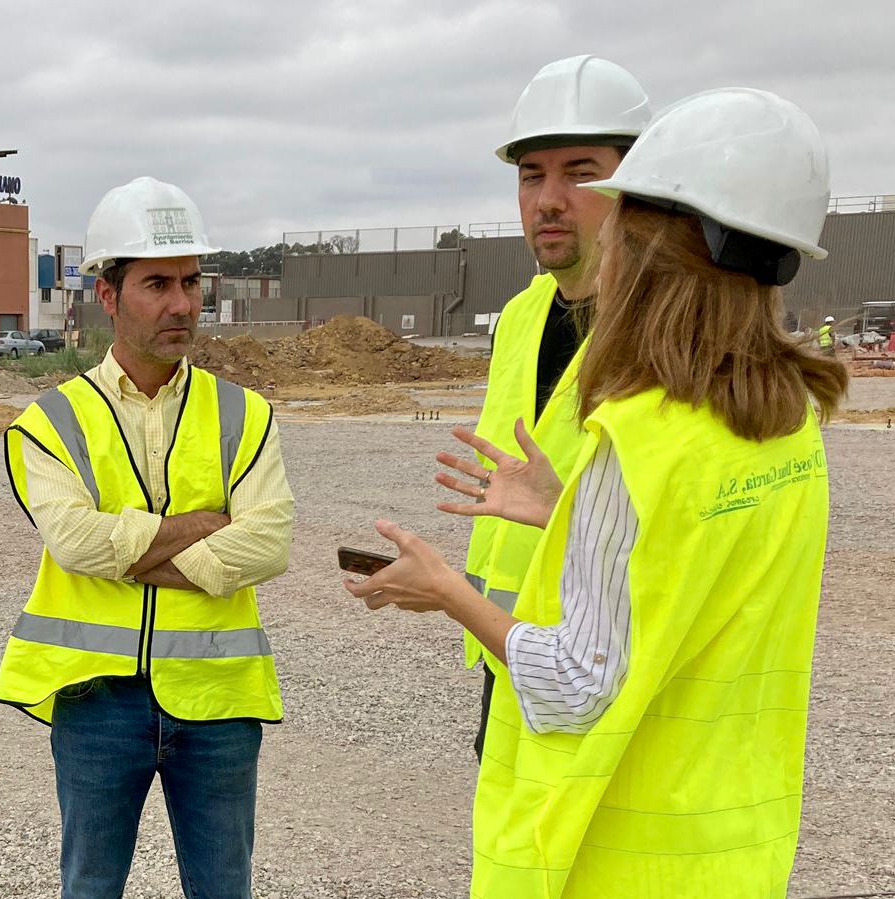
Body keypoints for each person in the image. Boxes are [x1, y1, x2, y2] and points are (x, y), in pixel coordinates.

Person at [344, 88, 847, 896]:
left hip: (619, 845)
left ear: (645, 255)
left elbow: (575, 685)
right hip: (730, 838)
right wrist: (572, 511)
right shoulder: (787, 421)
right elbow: (686, 565)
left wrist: (445, 591)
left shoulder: (643, 432)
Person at [0, 176, 294, 899]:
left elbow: (270, 543)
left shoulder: (244, 413)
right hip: (97, 701)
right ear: (108, 294)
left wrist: (127, 552)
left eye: (190, 282)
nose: (182, 303)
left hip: (218, 699)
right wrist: (201, 528)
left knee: (224, 889)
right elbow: (73, 542)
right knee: (90, 888)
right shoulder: (52, 421)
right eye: (157, 284)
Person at [465, 55, 650, 757]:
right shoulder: (520, 314)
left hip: (608, 661)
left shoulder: (664, 328)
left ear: (638, 184)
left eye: (580, 173)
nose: (548, 199)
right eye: (530, 175)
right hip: (510, 649)